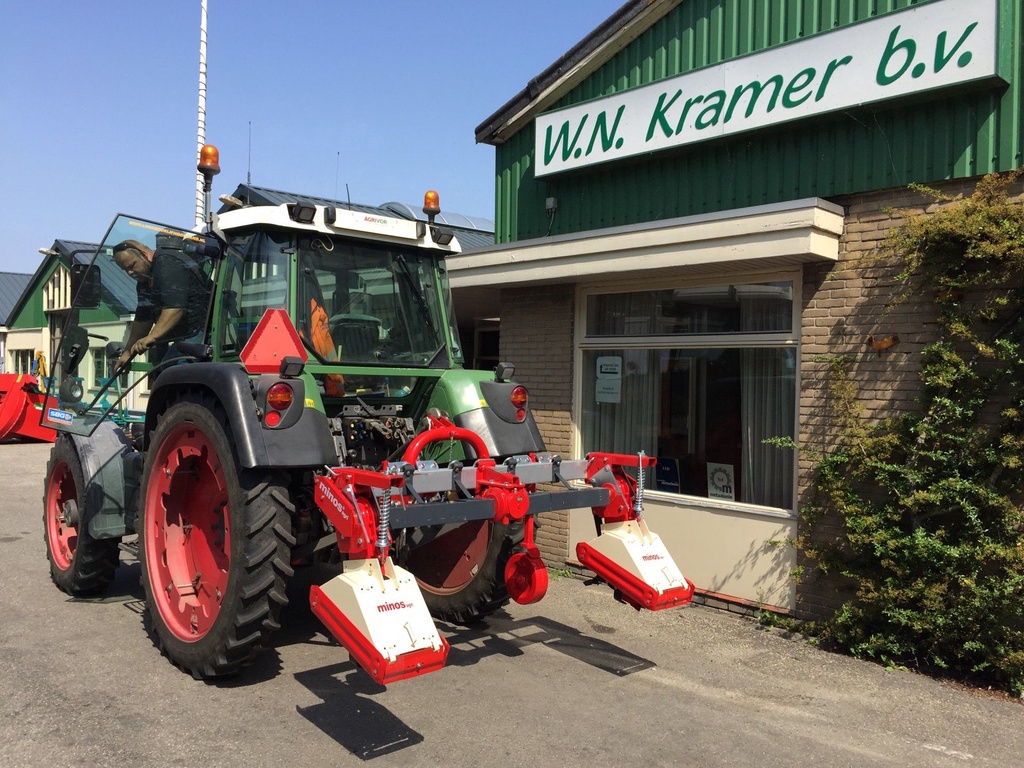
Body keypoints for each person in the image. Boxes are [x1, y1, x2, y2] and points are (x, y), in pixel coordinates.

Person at [113, 238, 210, 367]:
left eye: (132, 266)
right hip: (185, 337)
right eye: (125, 270)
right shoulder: (145, 282)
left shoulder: (167, 264)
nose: (130, 272)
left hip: (205, 332)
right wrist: (127, 353)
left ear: (144, 254)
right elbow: (143, 320)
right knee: (165, 368)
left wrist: (152, 336)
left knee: (177, 372)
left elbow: (175, 309)